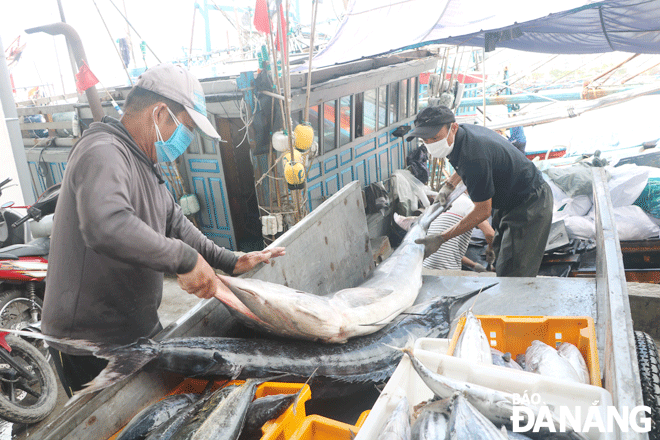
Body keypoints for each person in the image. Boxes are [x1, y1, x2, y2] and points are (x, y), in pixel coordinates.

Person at [41, 63, 285, 397]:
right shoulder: (103, 151)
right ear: (159, 114)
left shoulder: (148, 166)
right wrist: (185, 261)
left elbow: (178, 224)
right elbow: (106, 225)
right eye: (185, 127)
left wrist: (231, 260)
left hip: (138, 332)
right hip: (90, 344)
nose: (186, 140)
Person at [407, 105, 552, 277]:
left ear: (453, 128)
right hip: (509, 199)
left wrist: (441, 238)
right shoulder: (463, 135)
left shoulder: (474, 157)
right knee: (501, 255)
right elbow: (463, 163)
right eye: (425, 141)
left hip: (529, 203)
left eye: (435, 138)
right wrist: (450, 185)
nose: (431, 145)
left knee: (515, 273)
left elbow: (483, 211)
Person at [423, 193, 494, 272]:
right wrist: (490, 248)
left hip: (425, 268)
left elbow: (447, 250)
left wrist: (474, 266)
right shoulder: (469, 204)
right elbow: (490, 234)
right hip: (447, 272)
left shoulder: (440, 204)